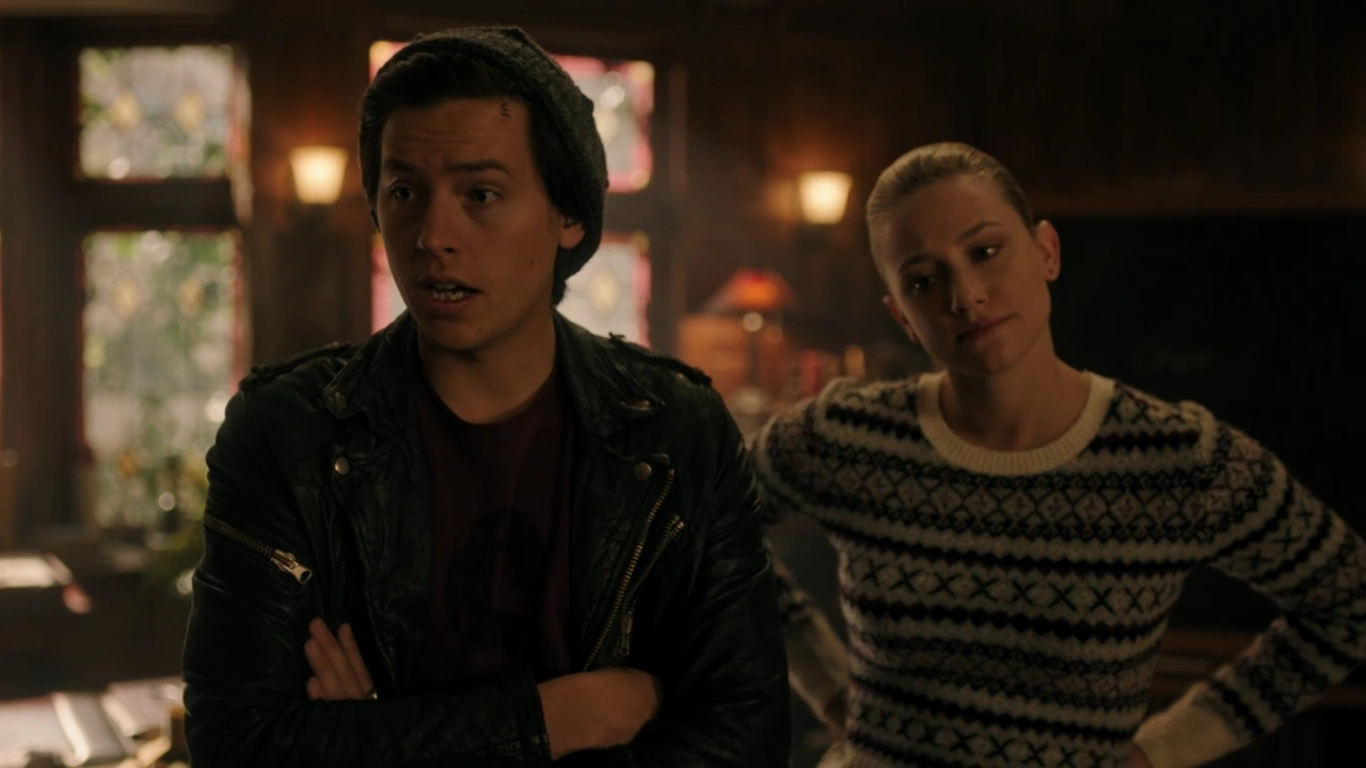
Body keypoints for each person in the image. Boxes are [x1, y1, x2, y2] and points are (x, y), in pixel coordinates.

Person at [182, 27, 790, 766]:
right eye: (405, 192)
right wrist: (558, 719)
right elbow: (239, 746)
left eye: (481, 194)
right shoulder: (291, 431)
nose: (433, 235)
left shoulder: (676, 430)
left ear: (569, 216)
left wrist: (378, 737)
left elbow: (746, 742)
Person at [754, 141, 1366, 768]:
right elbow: (705, 532)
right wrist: (826, 684)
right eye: (923, 280)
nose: (965, 295)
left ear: (1046, 251)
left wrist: (1166, 750)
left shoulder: (1177, 457)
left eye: (985, 252)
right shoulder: (848, 433)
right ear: (902, 316)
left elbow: (1350, 604)